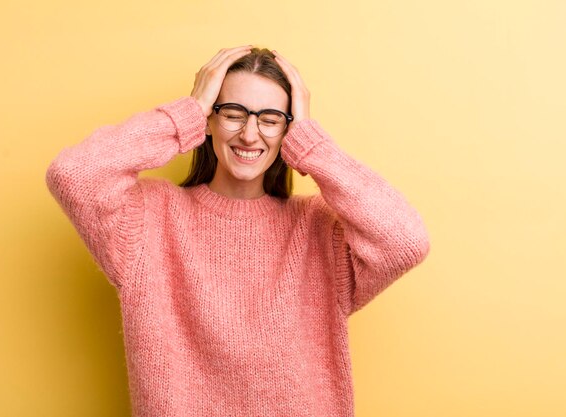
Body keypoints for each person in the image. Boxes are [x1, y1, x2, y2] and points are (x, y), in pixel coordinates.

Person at [45, 45, 431, 417]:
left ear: (288, 132)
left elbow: (406, 241)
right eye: (233, 113)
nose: (250, 134)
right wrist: (186, 113)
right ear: (208, 121)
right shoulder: (148, 219)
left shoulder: (319, 230)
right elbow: (74, 175)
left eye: (269, 118)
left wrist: (312, 145)